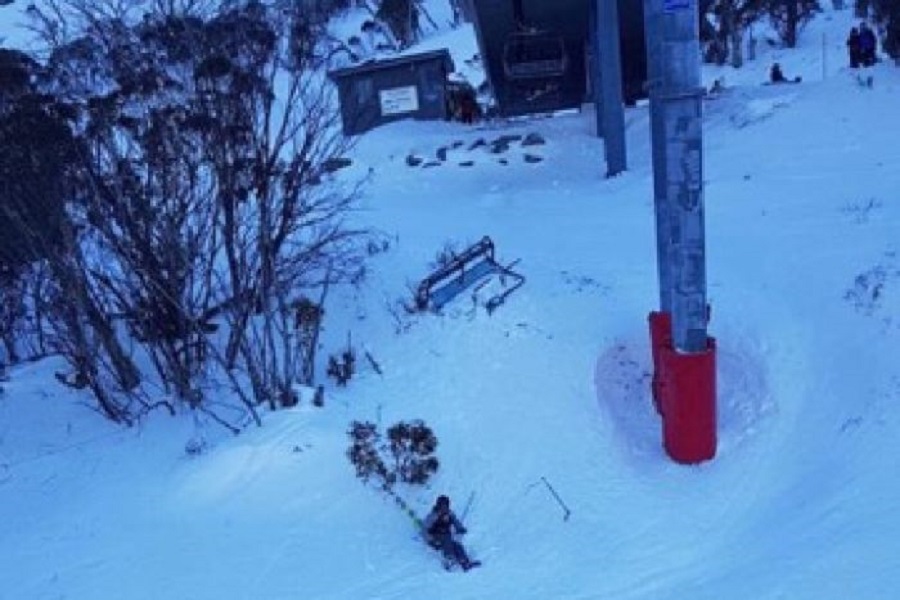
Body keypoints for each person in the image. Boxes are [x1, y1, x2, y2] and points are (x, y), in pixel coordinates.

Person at [422, 495, 480, 571]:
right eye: (442, 506)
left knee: (457, 545)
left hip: (446, 535)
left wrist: (460, 528)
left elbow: (455, 521)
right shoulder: (433, 515)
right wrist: (431, 541)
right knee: (447, 540)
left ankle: (465, 562)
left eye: (446, 506)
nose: (444, 508)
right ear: (438, 505)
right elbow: (424, 529)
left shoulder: (449, 514)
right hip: (436, 536)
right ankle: (449, 559)